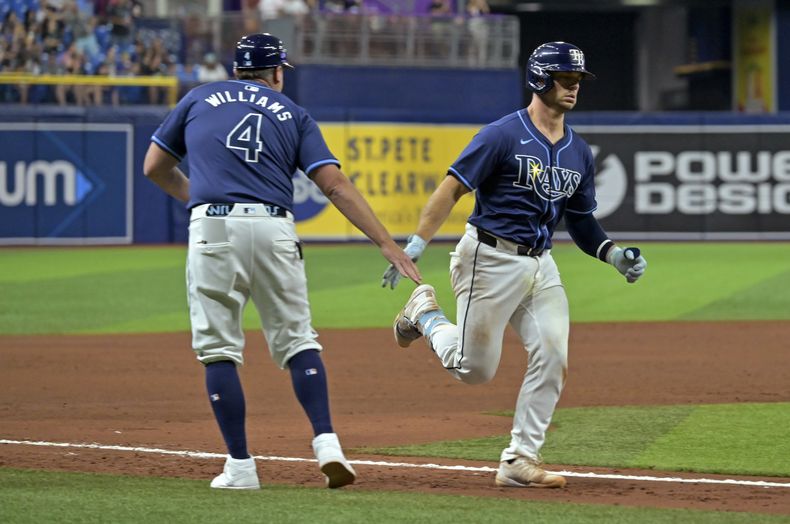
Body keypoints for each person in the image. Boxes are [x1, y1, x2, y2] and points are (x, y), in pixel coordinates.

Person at [143, 33, 421, 489]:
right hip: (273, 226)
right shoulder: (293, 113)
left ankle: (240, 466)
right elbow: (334, 185)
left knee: (219, 349)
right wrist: (387, 244)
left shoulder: (197, 98)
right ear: (276, 74)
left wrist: (200, 198)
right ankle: (327, 442)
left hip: (212, 226)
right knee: (297, 341)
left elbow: (154, 166)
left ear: (236, 70)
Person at [381, 42, 647, 489]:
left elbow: (580, 221)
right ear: (540, 79)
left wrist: (613, 254)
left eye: (578, 80)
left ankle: (519, 459)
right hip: (488, 257)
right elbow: (451, 189)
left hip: (540, 264)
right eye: (566, 79)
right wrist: (415, 244)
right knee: (473, 369)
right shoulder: (502, 134)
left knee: (554, 353)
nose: (573, 87)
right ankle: (423, 314)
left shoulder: (578, 151)